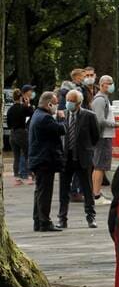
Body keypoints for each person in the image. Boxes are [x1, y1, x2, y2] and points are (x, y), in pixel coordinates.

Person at [57, 90, 101, 229]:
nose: (69, 103)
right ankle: (62, 218)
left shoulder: (89, 116)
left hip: (83, 157)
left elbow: (96, 136)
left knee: (87, 189)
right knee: (64, 190)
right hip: (66, 157)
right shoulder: (62, 115)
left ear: (79, 103)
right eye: (67, 100)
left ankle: (91, 217)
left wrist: (87, 149)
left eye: (72, 101)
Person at [29, 91, 66, 232]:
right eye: (55, 104)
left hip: (39, 158)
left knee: (39, 191)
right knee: (45, 192)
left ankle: (38, 220)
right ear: (49, 103)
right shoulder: (45, 118)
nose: (57, 107)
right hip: (45, 160)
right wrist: (61, 119)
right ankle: (44, 221)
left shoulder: (36, 115)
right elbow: (60, 130)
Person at [92, 75, 119, 201]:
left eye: (112, 82)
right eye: (109, 83)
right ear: (101, 84)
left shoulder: (104, 99)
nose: (111, 85)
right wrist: (115, 125)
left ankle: (95, 193)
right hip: (103, 136)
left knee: (98, 166)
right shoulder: (100, 100)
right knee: (100, 166)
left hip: (104, 136)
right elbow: (100, 120)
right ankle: (96, 195)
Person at [8, 86, 34, 185]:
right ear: (20, 97)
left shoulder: (10, 109)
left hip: (12, 133)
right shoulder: (22, 107)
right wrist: (28, 104)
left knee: (16, 156)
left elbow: (9, 124)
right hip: (21, 132)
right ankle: (29, 176)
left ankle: (17, 178)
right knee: (27, 154)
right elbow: (31, 113)